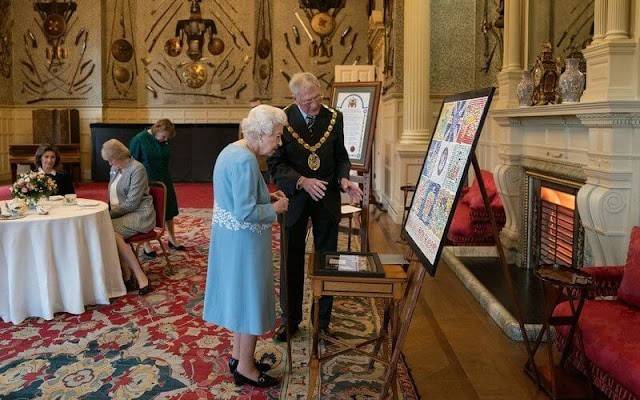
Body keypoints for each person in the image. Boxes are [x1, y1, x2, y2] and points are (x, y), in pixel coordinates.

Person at [267, 72, 363, 341]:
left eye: (318, 97)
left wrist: (345, 179)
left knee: (328, 260)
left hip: (327, 198)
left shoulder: (334, 117)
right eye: (308, 100)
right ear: (295, 97)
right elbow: (275, 166)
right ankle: (291, 319)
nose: (315, 104)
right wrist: (302, 181)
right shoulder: (282, 120)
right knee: (291, 258)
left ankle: (322, 321)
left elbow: (341, 156)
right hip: (294, 199)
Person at [203, 105, 289, 388]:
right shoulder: (245, 161)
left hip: (234, 242)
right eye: (277, 136)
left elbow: (241, 197)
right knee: (250, 301)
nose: (279, 142)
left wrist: (266, 195)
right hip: (245, 244)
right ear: (261, 133)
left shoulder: (233, 150)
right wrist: (276, 208)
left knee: (241, 301)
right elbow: (244, 211)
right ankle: (246, 368)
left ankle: (240, 357)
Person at [102, 139, 154, 295]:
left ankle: (137, 275)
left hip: (140, 215)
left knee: (108, 230)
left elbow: (132, 204)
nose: (110, 164)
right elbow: (112, 195)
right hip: (122, 214)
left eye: (111, 160)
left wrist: (107, 214)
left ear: (119, 156)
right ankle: (128, 273)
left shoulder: (137, 169)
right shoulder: (116, 169)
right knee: (106, 229)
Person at [129, 119, 184, 257]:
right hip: (146, 182)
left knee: (169, 210)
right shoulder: (139, 139)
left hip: (164, 180)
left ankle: (172, 239)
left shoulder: (163, 139)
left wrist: (164, 140)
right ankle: (146, 245)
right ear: (156, 129)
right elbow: (132, 163)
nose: (165, 139)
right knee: (147, 212)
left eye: (167, 138)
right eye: (164, 136)